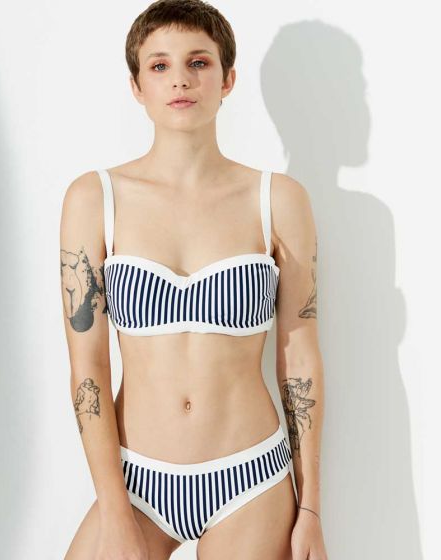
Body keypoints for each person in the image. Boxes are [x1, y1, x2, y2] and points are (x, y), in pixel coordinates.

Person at [60, 1, 328, 558]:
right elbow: (88, 368)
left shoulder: (277, 200)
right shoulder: (94, 199)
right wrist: (113, 509)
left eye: (199, 62)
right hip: (135, 477)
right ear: (136, 86)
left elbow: (299, 358)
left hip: (251, 475)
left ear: (227, 79)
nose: (180, 79)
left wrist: (310, 509)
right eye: (159, 65)